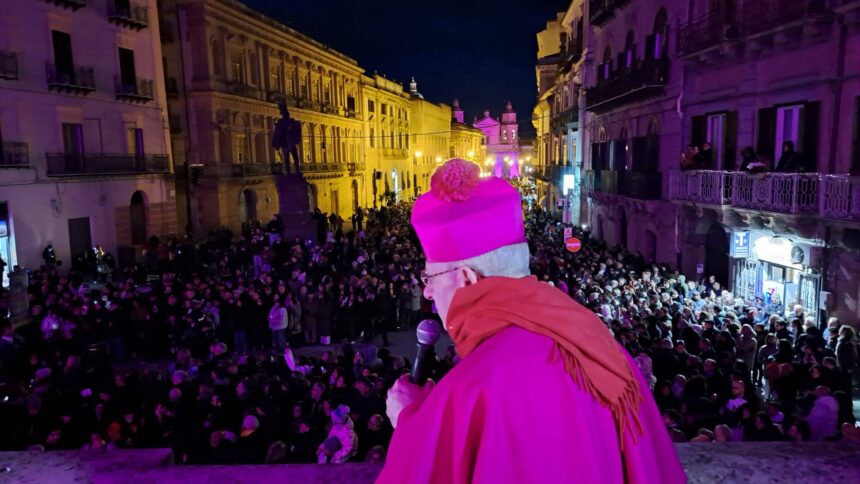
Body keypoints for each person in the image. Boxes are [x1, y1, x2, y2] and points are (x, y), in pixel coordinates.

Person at [378, 159, 685, 483]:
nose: (427, 291)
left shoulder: (470, 390)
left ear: (466, 279)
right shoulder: (599, 344)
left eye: (430, 277)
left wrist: (411, 420)